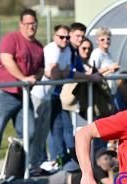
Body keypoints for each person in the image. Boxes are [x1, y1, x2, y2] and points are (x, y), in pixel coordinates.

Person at [0, 9, 44, 178]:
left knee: (29, 131)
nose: (31, 27)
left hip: (23, 95)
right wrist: (23, 78)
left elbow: (41, 69)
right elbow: (6, 60)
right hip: (3, 93)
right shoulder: (11, 38)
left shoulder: (38, 46)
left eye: (34, 23)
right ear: (21, 24)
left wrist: (34, 77)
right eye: (27, 24)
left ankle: (19, 167)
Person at [30, 24, 72, 174]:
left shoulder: (67, 50)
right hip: (37, 94)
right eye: (61, 37)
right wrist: (58, 72)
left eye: (67, 37)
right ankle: (30, 164)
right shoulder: (51, 49)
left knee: (42, 133)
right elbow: (54, 74)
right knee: (33, 131)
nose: (65, 40)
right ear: (55, 37)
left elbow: (65, 73)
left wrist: (58, 72)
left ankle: (37, 164)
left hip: (49, 95)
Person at [0, 148, 116, 184]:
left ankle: (13, 181)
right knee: (38, 183)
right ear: (98, 160)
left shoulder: (98, 170)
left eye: (110, 159)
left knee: (39, 180)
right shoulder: (96, 169)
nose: (109, 161)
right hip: (64, 178)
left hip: (65, 177)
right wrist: (111, 170)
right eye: (106, 158)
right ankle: (11, 183)